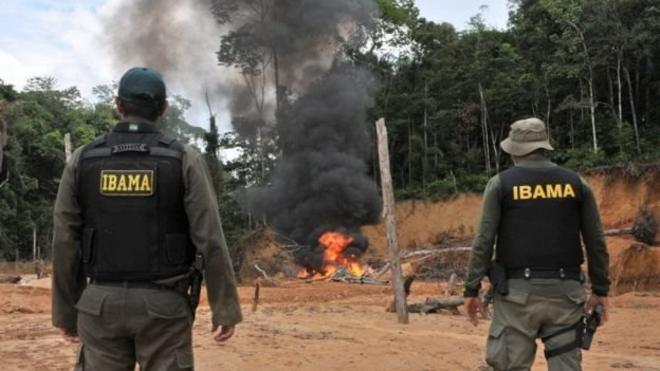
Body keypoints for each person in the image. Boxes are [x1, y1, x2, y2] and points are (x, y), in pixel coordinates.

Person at [52, 67, 242, 370]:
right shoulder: (183, 159)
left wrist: (66, 313)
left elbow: (64, 241)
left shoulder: (83, 159)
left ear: (118, 105)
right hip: (164, 307)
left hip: (99, 305)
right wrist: (225, 308)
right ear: (164, 109)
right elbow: (210, 238)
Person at [463, 118, 610, 371]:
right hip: (566, 296)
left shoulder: (500, 184)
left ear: (514, 152)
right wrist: (600, 290)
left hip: (517, 298)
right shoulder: (576, 183)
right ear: (543, 147)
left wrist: (471, 289)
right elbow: (595, 241)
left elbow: (484, 241)